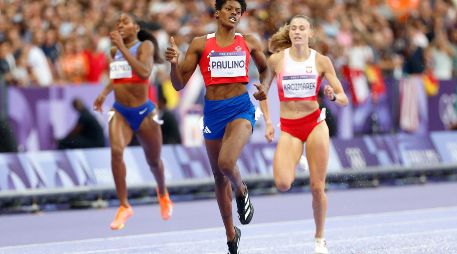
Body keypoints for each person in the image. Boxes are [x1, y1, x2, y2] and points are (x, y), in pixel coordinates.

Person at [165, 1, 268, 253]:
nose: (234, 13)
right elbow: (178, 84)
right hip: (213, 114)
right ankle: (232, 236)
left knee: (225, 162)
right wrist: (174, 63)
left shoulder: (249, 41)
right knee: (219, 177)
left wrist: (265, 86)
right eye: (230, 8)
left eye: (239, 11)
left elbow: (266, 69)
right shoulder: (201, 43)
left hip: (241, 109)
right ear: (217, 12)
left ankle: (242, 190)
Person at [253, 15, 349, 254]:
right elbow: (262, 92)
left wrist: (332, 95)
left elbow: (344, 98)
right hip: (290, 127)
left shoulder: (322, 61)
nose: (297, 31)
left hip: (315, 124)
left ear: (310, 33)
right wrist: (267, 122)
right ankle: (298, 157)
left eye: (302, 28)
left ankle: (319, 239)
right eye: (294, 28)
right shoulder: (276, 60)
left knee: (317, 187)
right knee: (283, 183)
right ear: (290, 33)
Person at [93, 13, 173, 230]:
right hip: (120, 111)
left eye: (124, 22)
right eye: (117, 22)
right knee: (116, 151)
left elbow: (144, 72)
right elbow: (118, 75)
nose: (119, 25)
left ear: (136, 28)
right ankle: (123, 205)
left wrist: (121, 46)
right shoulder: (114, 51)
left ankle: (163, 193)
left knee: (154, 161)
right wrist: (104, 93)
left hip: (144, 112)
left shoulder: (144, 46)